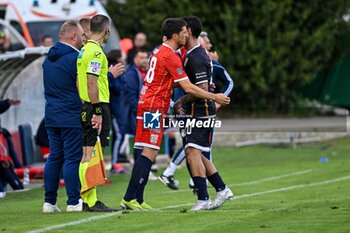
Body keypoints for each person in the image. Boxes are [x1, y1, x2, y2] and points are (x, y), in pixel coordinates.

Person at [119, 17, 230, 210]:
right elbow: (188, 86)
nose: (186, 34)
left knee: (150, 151)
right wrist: (214, 96)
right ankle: (130, 197)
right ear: (175, 35)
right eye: (183, 32)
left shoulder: (161, 51)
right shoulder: (170, 55)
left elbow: (171, 81)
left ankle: (137, 198)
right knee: (149, 152)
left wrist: (177, 100)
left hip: (151, 104)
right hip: (153, 107)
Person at [172, 16, 233, 210]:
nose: (181, 32)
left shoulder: (196, 56)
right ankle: (221, 189)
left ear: (188, 31)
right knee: (196, 152)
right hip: (195, 111)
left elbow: (200, 88)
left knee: (192, 152)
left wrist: (181, 100)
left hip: (201, 111)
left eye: (182, 29)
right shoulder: (190, 53)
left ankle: (203, 198)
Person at [77, 14, 124, 212]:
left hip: (86, 104)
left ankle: (87, 199)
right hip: (97, 105)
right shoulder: (96, 52)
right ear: (107, 30)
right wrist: (97, 111)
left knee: (87, 153)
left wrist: (86, 103)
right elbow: (91, 82)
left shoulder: (83, 50)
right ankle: (91, 201)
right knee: (95, 152)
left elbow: (80, 82)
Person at [42, 20, 86, 213]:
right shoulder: (76, 59)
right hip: (70, 115)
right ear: (74, 36)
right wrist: (109, 77)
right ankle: (73, 202)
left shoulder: (47, 58)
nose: (85, 38)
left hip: (51, 115)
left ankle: (49, 202)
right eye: (83, 35)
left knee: (54, 158)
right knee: (72, 159)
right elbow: (84, 88)